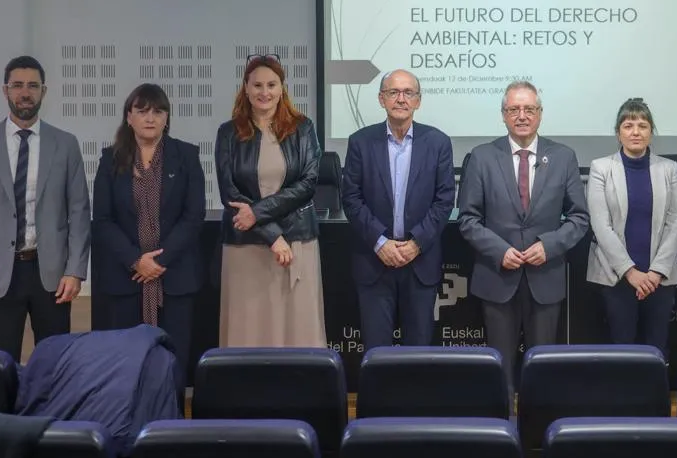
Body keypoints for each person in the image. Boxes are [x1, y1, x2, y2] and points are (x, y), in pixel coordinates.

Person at [0, 56, 91, 362]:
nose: (24, 92)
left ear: (44, 90)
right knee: (0, 365)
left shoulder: (66, 145)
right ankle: (4, 412)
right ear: (5, 91)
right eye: (17, 85)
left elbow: (80, 212)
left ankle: (52, 411)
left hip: (53, 276)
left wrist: (75, 270)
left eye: (32, 85)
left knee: (56, 364)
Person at [457, 81, 589, 392]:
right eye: (514, 109)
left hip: (545, 277)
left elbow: (580, 218)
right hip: (497, 277)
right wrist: (499, 250)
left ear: (540, 114)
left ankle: (537, 433)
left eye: (529, 109)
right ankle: (500, 431)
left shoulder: (563, 157)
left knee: (541, 368)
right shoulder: (482, 157)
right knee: (499, 369)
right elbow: (467, 219)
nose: (522, 115)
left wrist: (549, 245)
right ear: (503, 115)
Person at [92, 83, 206, 391]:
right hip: (126, 279)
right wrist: (135, 260)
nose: (150, 118)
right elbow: (102, 220)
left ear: (167, 118)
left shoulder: (186, 156)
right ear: (128, 117)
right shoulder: (110, 159)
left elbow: (194, 216)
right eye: (142, 111)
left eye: (158, 111)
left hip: (175, 278)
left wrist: (160, 260)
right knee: (125, 365)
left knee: (174, 361)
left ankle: (172, 428)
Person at [215, 54, 325, 347]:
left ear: (282, 88)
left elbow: (308, 184)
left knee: (298, 329)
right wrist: (273, 237)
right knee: (247, 329)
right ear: (246, 88)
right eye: (258, 85)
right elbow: (230, 193)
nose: (265, 92)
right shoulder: (228, 133)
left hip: (297, 240)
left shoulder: (303, 128)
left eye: (272, 84)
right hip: (246, 247)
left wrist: (259, 214)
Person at [341, 69, 455, 349]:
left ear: (418, 101)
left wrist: (416, 243)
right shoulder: (360, 142)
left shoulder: (438, 143)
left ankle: (417, 396)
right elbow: (351, 199)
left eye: (409, 93)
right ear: (382, 99)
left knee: (419, 351)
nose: (401, 99)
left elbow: (444, 200)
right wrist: (380, 243)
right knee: (376, 351)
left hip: (420, 262)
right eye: (393, 92)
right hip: (374, 261)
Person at [586, 98, 677, 358]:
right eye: (628, 125)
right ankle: (621, 400)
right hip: (615, 275)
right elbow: (600, 225)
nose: (636, 132)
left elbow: (675, 222)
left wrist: (654, 273)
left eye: (642, 125)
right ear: (618, 132)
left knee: (657, 347)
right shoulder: (601, 168)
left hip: (659, 278)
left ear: (651, 131)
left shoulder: (669, 168)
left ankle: (655, 400)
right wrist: (631, 273)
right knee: (622, 348)